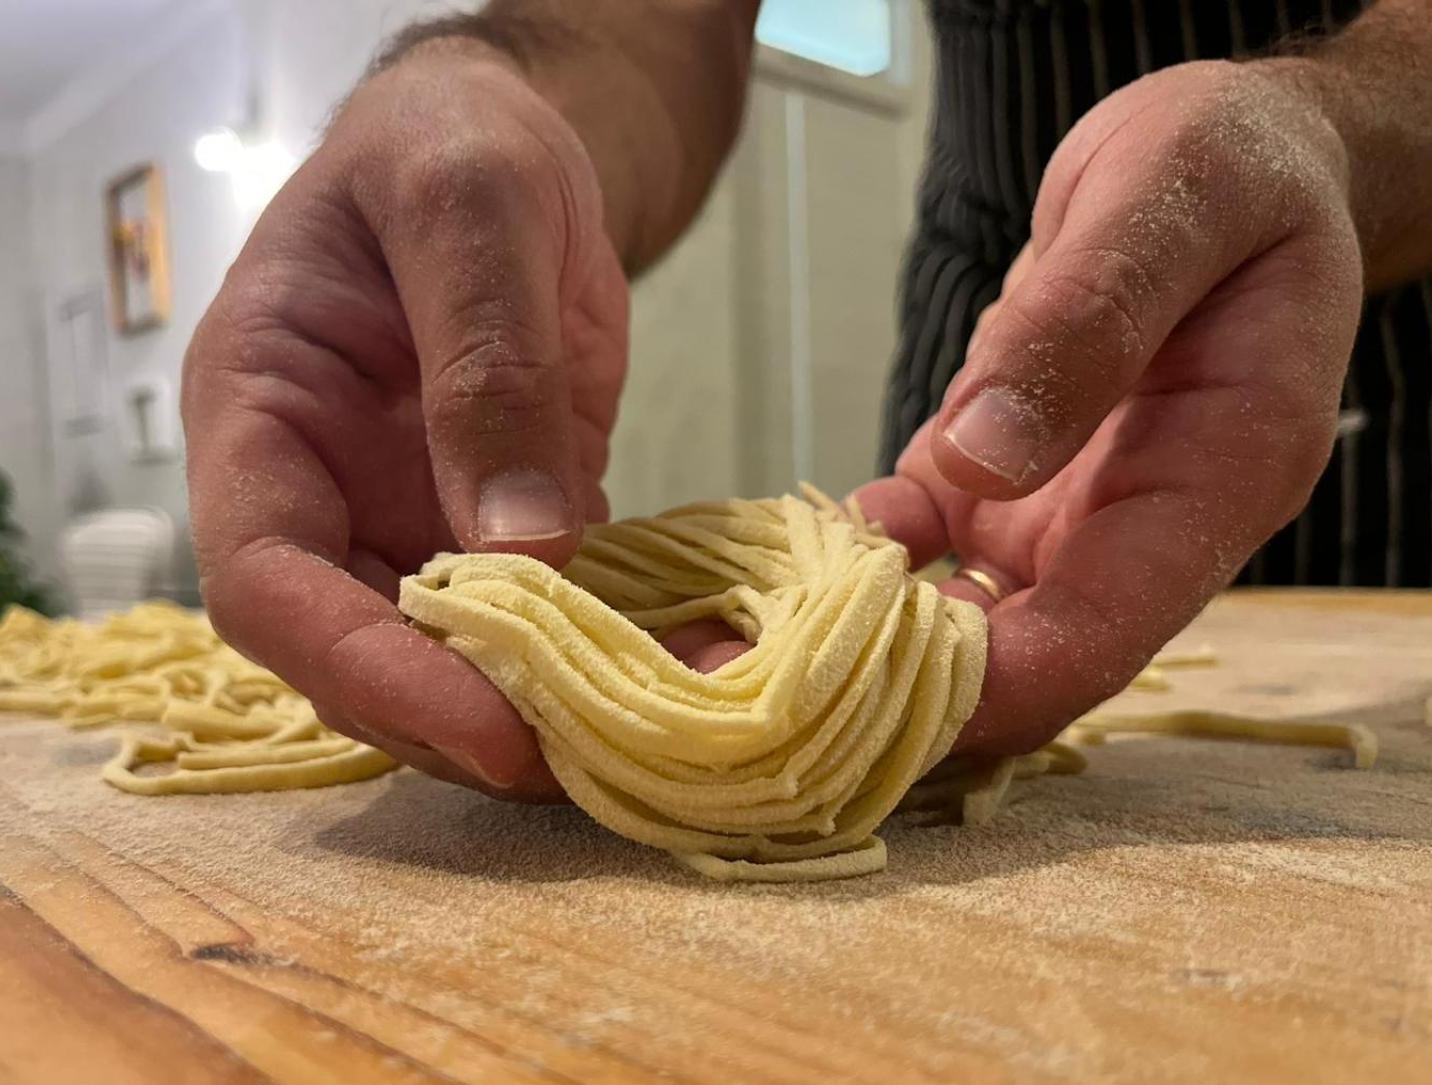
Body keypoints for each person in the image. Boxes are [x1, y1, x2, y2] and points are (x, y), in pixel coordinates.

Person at [182, 0, 1432, 798]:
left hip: (1394, 262)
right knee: (934, 605)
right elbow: (653, 30)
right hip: (994, 306)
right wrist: (482, 98)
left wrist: (1342, 130)